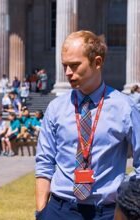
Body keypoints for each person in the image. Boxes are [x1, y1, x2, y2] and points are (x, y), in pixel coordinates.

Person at [35, 30, 140, 220]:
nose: (67, 73)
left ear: (97, 62)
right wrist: (41, 211)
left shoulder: (125, 108)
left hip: (106, 212)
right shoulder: (56, 108)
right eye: (65, 66)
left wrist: (126, 199)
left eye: (74, 65)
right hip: (59, 210)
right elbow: (45, 162)